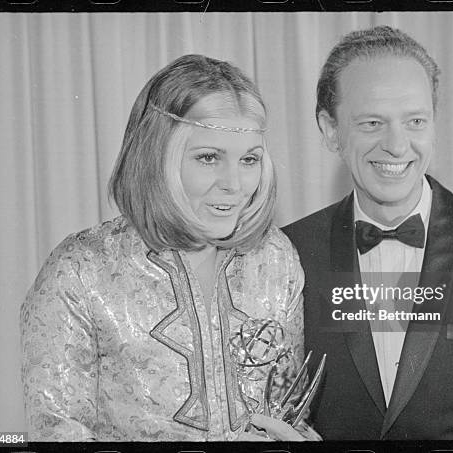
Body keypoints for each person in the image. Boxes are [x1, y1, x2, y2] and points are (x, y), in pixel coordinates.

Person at [283, 26, 453, 440]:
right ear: (331, 130)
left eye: (415, 121)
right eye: (373, 122)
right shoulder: (287, 252)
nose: (397, 145)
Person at [21, 54, 311, 442]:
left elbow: (293, 411)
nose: (235, 184)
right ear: (156, 155)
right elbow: (57, 436)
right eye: (208, 158)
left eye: (249, 160)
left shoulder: (275, 258)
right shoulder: (81, 270)